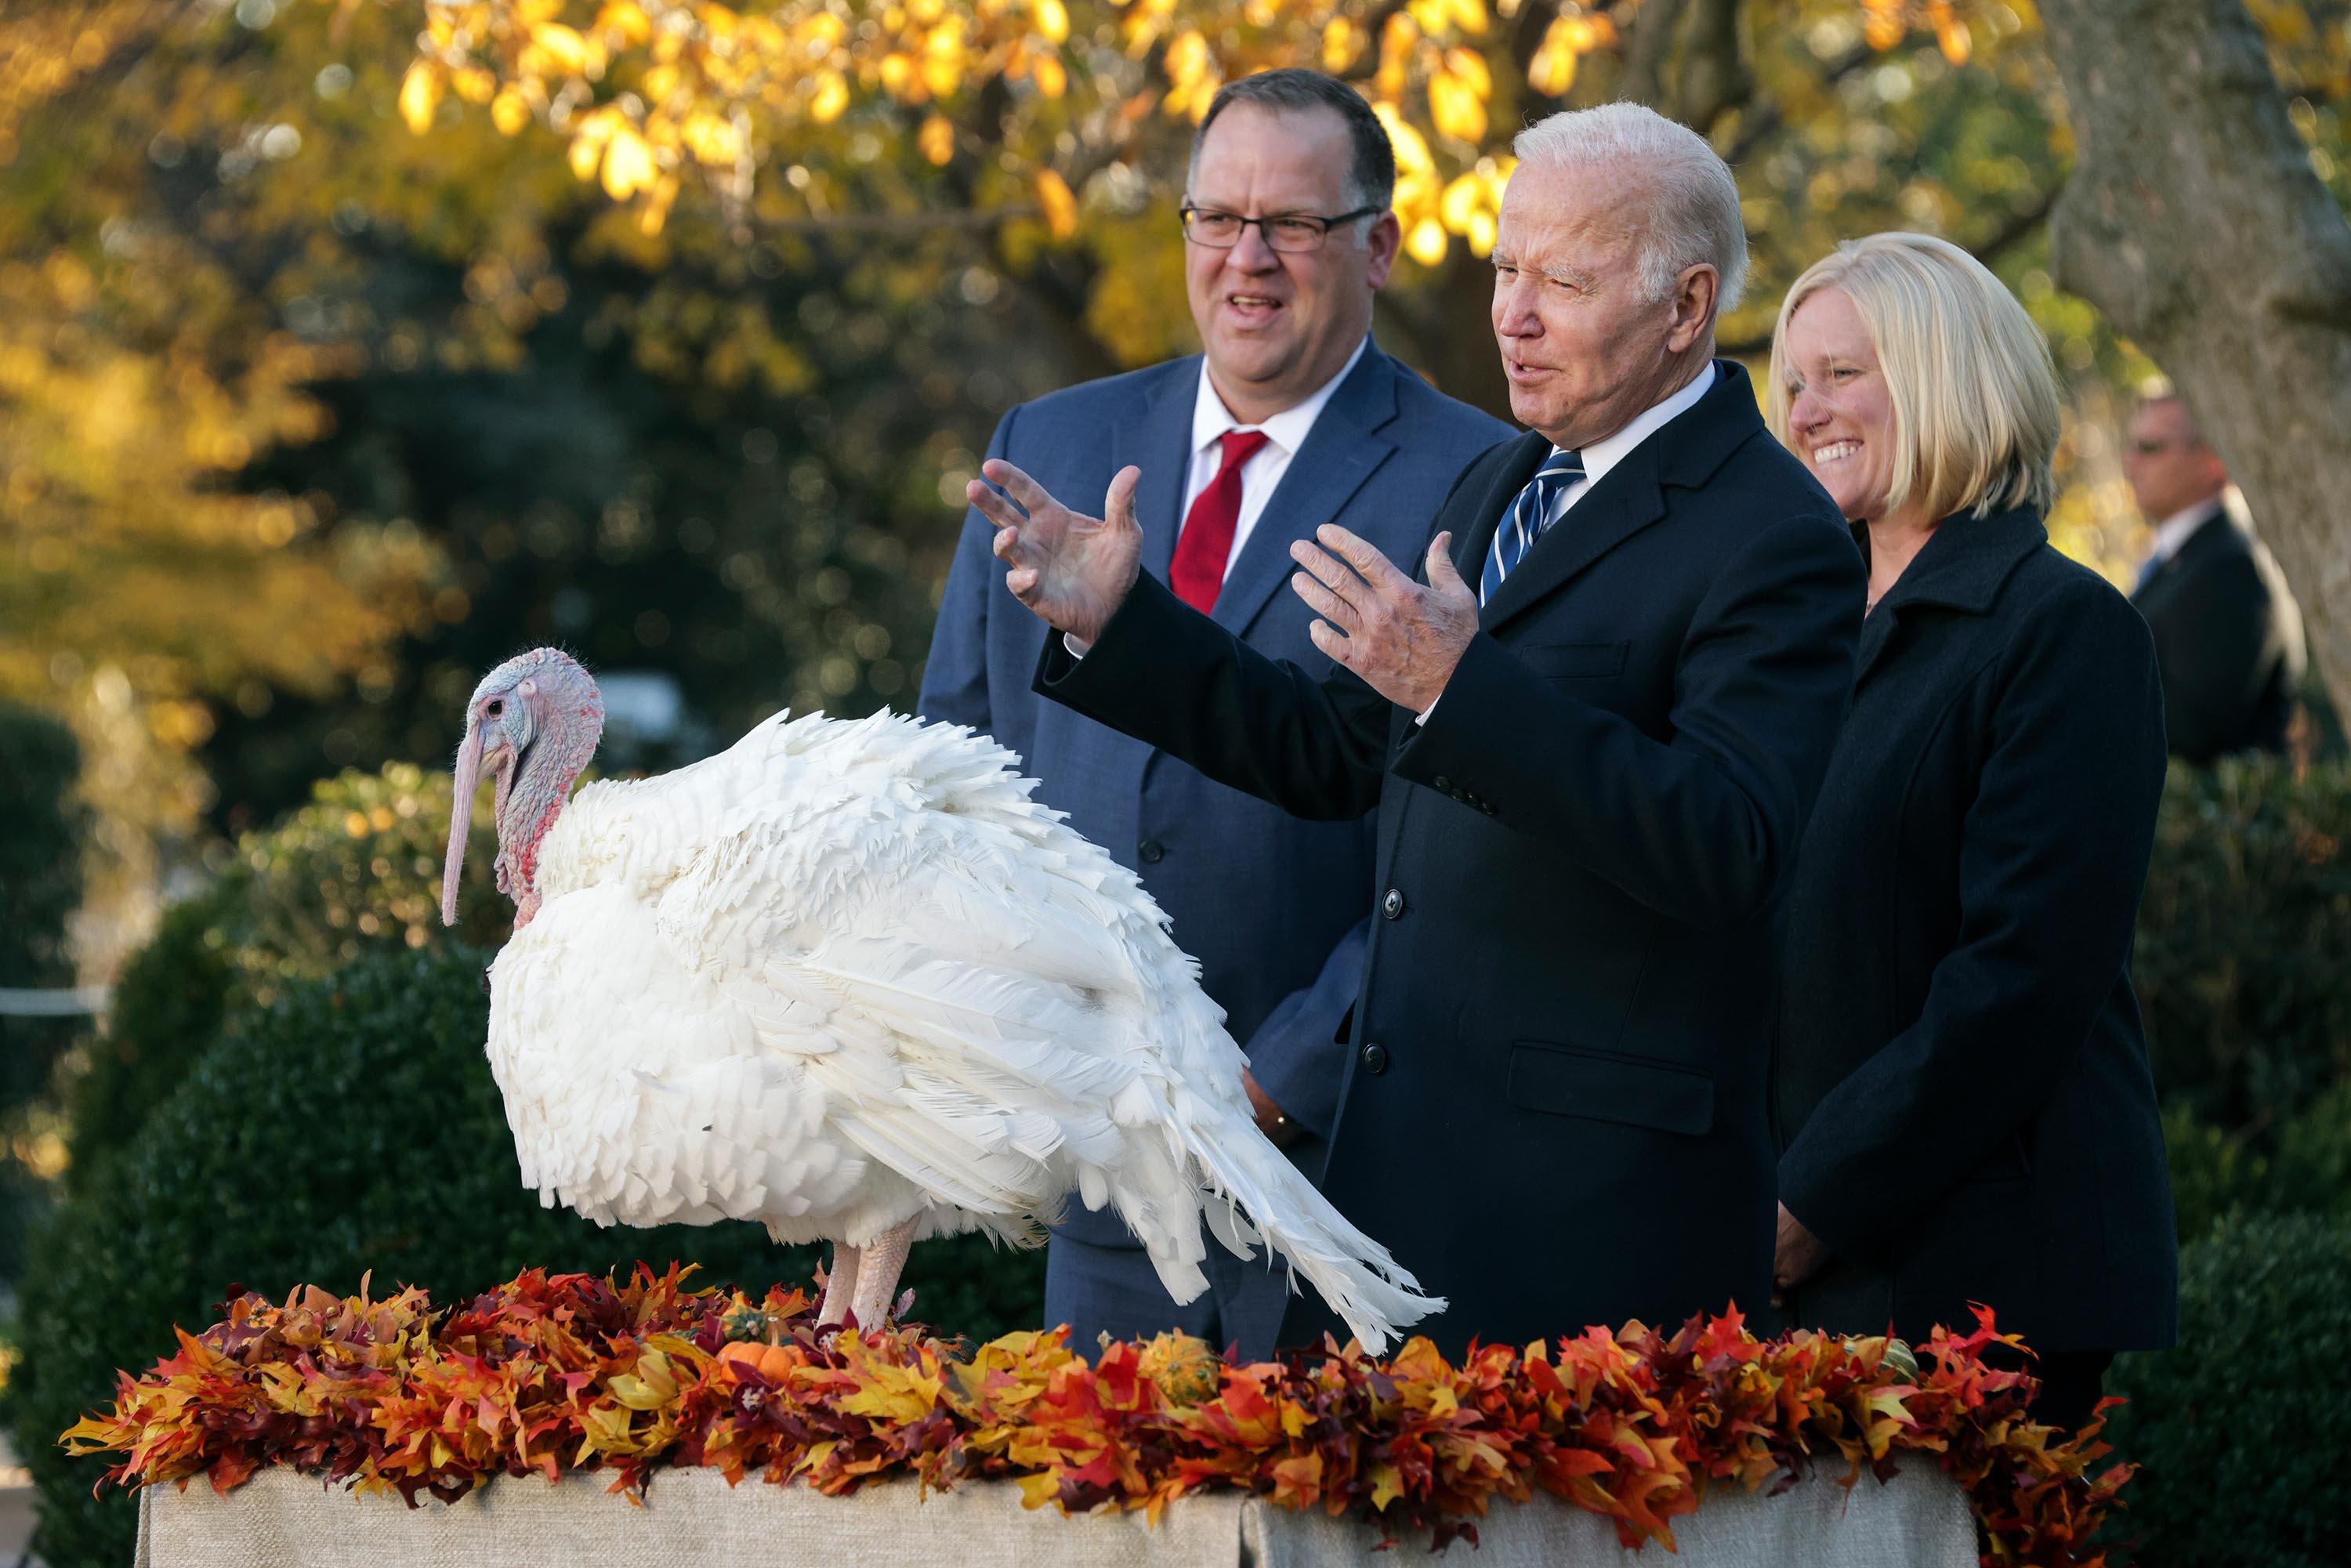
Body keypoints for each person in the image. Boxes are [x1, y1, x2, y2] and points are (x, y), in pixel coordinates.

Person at [966, 103, 1864, 1354]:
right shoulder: (1505, 481)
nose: (1515, 314)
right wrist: (1124, 627)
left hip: (1592, 1221)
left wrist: (1460, 688)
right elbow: (1333, 752)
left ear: (1687, 305)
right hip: (1402, 1189)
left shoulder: (1777, 534)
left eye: (1566, 279)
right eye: (1506, 270)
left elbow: (1729, 842)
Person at [918, 69, 1507, 1360]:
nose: (1248, 257)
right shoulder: (1051, 445)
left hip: (1349, 1180)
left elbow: (1470, 844)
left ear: (1381, 248)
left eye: (1293, 224)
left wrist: (1284, 1077)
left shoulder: (1475, 475)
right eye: (1216, 217)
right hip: (1107, 1186)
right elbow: (954, 781)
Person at [1764, 234, 2177, 1432]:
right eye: (1795, 381)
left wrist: (1812, 1203)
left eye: (1844, 373)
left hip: (1980, 1277)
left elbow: (2024, 978)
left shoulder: (2064, 630)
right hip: (1788, 1258)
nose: (1807, 410)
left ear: (1947, 375)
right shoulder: (1793, 626)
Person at [2121, 392, 2306, 764]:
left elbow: (2196, 730)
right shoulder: (2186, 555)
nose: (2131, 463)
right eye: (2131, 446)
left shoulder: (2230, 567)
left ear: (2215, 460)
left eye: (2150, 447)